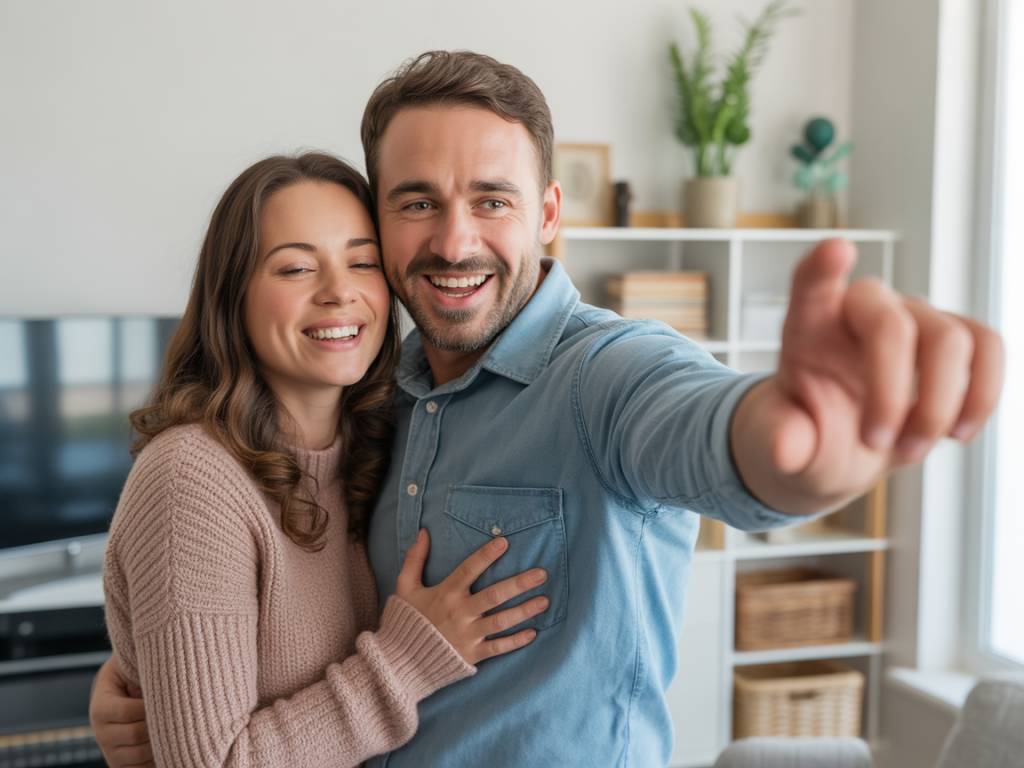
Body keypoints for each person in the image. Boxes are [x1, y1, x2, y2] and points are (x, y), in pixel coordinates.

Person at [92, 52, 1004, 767]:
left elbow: (706, 427)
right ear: (387, 221)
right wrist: (146, 679)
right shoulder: (381, 406)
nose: (454, 240)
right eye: (417, 203)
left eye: (493, 200)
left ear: (549, 214)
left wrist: (796, 446)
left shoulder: (606, 375)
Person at [94, 152, 551, 767]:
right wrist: (409, 660)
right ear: (233, 296)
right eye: (296, 268)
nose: (338, 292)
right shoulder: (190, 479)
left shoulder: (389, 435)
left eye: (361, 262)